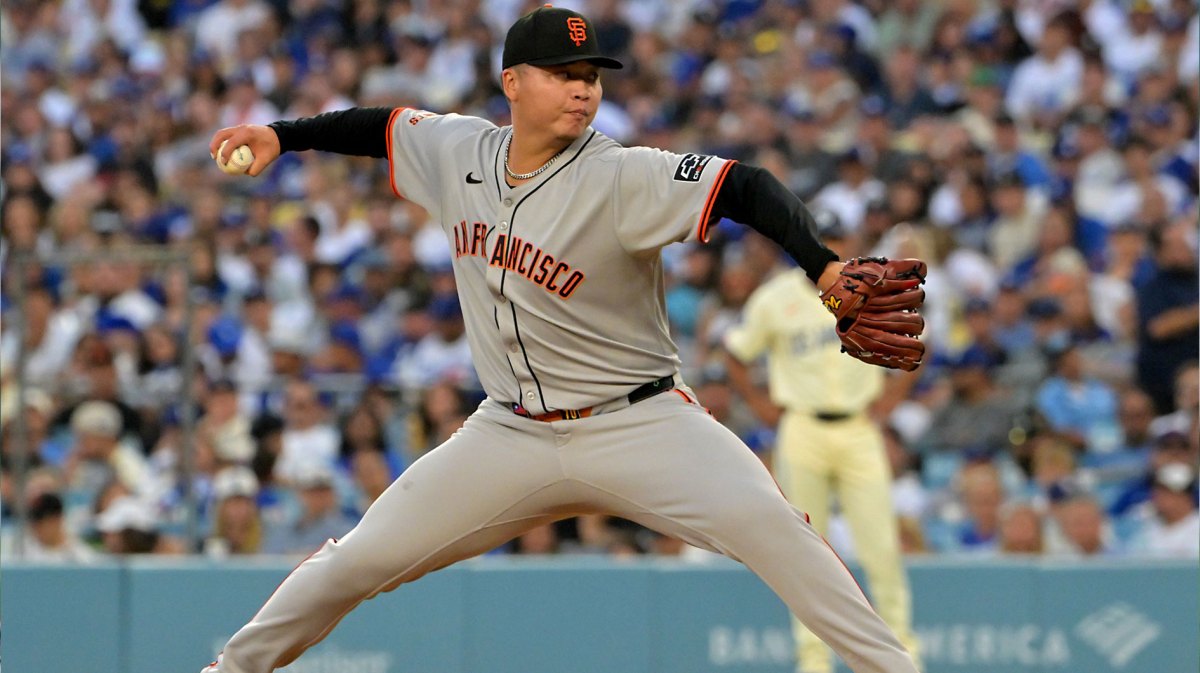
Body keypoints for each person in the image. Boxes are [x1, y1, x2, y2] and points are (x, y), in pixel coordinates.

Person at [203, 7, 921, 673]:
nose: (582, 90)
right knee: (356, 560)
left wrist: (823, 265)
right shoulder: (458, 150)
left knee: (781, 534)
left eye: (590, 77)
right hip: (508, 434)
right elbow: (379, 126)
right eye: (562, 74)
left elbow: (745, 185)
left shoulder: (621, 174)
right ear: (512, 83)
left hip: (641, 424)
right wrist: (282, 136)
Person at [723, 215, 920, 673]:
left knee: (882, 549)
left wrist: (892, 399)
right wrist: (760, 403)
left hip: (859, 426)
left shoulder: (872, 288)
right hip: (803, 427)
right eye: (823, 238)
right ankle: (813, 662)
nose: (832, 246)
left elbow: (912, 337)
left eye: (838, 238)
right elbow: (736, 352)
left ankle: (903, 658)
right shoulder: (775, 297)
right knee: (807, 553)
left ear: (849, 241)